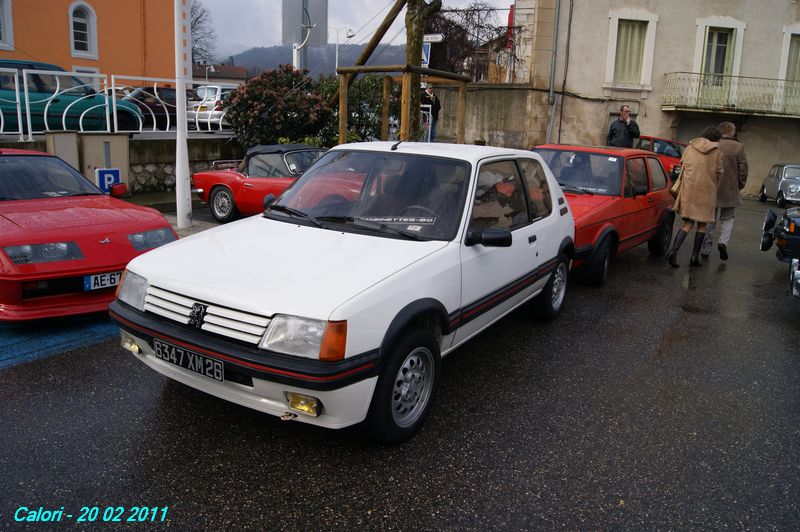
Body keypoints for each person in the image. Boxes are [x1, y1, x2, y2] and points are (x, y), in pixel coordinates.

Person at [666, 126, 723, 268]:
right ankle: (694, 258)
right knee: (702, 224)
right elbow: (720, 172)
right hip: (706, 191)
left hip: (689, 189)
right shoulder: (716, 151)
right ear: (716, 139)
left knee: (687, 224)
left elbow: (682, 164)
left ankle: (673, 252)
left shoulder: (690, 147)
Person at [701, 121, 748, 261]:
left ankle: (706, 248)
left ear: (720, 132)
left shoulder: (713, 145)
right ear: (733, 132)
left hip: (712, 187)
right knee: (728, 218)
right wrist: (740, 185)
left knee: (710, 219)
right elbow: (744, 169)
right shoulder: (738, 147)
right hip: (730, 188)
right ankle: (723, 242)